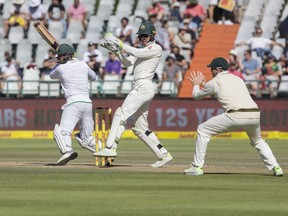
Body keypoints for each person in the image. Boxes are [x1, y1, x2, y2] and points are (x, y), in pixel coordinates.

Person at [184, 57, 283, 176]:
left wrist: (196, 85)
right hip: (254, 114)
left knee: (203, 130)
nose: (211, 72)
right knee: (258, 141)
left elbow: (196, 96)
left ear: (218, 69)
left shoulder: (215, 82)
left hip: (236, 114)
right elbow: (222, 90)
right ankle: (276, 167)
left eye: (212, 69)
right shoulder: (238, 79)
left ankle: (196, 167)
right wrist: (204, 84)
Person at [94, 21, 173, 167]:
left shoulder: (156, 48)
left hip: (143, 86)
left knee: (121, 113)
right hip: (142, 87)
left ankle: (110, 148)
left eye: (146, 36)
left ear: (152, 36)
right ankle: (163, 155)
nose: (143, 38)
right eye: (141, 36)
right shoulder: (142, 49)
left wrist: (119, 43)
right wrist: (116, 51)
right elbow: (127, 63)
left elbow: (136, 53)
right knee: (140, 128)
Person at [49, 43, 98, 165]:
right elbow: (94, 77)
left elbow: (51, 75)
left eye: (60, 56)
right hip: (87, 103)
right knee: (87, 137)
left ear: (67, 56)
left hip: (73, 103)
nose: (59, 58)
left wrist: (59, 64)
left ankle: (67, 151)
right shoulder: (83, 64)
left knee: (62, 132)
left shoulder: (60, 68)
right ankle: (104, 151)